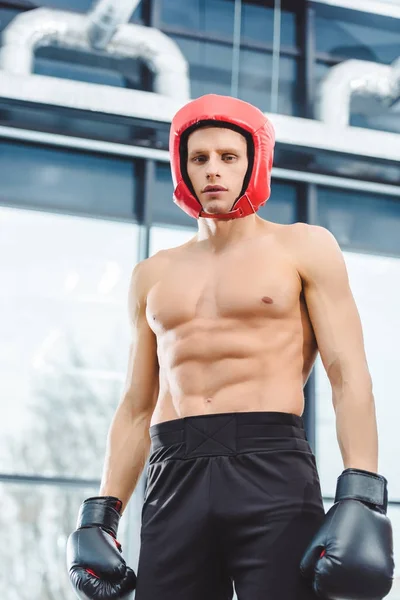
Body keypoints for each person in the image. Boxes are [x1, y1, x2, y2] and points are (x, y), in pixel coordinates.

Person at [66, 94, 394, 600]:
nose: (213, 171)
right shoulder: (151, 274)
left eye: (228, 157)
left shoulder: (303, 247)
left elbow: (348, 374)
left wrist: (363, 492)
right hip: (173, 471)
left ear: (253, 164)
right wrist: (102, 513)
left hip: (271, 464)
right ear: (182, 168)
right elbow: (135, 405)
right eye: (200, 159)